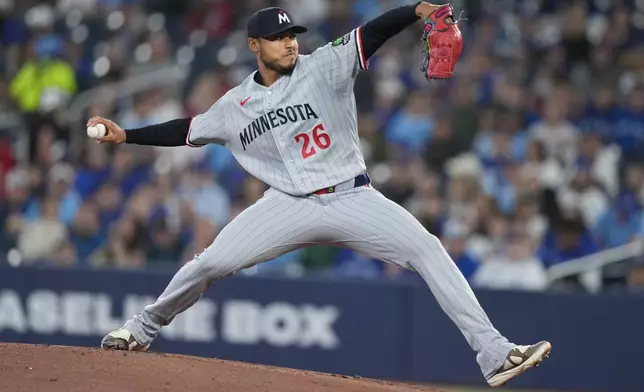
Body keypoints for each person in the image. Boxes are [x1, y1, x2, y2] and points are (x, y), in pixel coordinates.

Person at [91, 3, 550, 387]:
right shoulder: (234, 105)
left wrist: (416, 10)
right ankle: (142, 328)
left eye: (292, 34)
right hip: (287, 204)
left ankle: (493, 352)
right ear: (254, 46)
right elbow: (186, 130)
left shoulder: (324, 64)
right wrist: (126, 135)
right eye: (278, 37)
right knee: (210, 263)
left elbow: (371, 33)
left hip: (353, 197)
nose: (290, 42)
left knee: (428, 249)